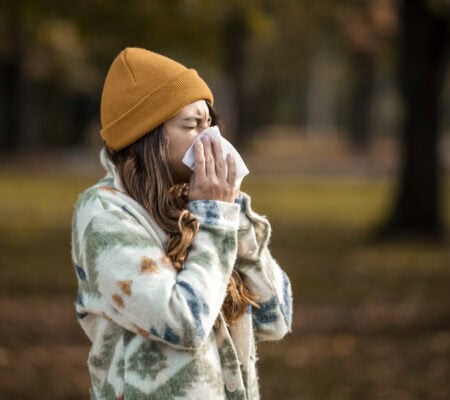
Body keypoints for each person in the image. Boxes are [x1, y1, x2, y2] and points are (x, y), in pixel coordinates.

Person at [71, 47, 293, 400]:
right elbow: (183, 322)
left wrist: (232, 213)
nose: (211, 141)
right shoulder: (104, 215)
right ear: (147, 137)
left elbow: (275, 317)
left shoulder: (198, 206)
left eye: (210, 124)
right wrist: (216, 219)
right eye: (192, 125)